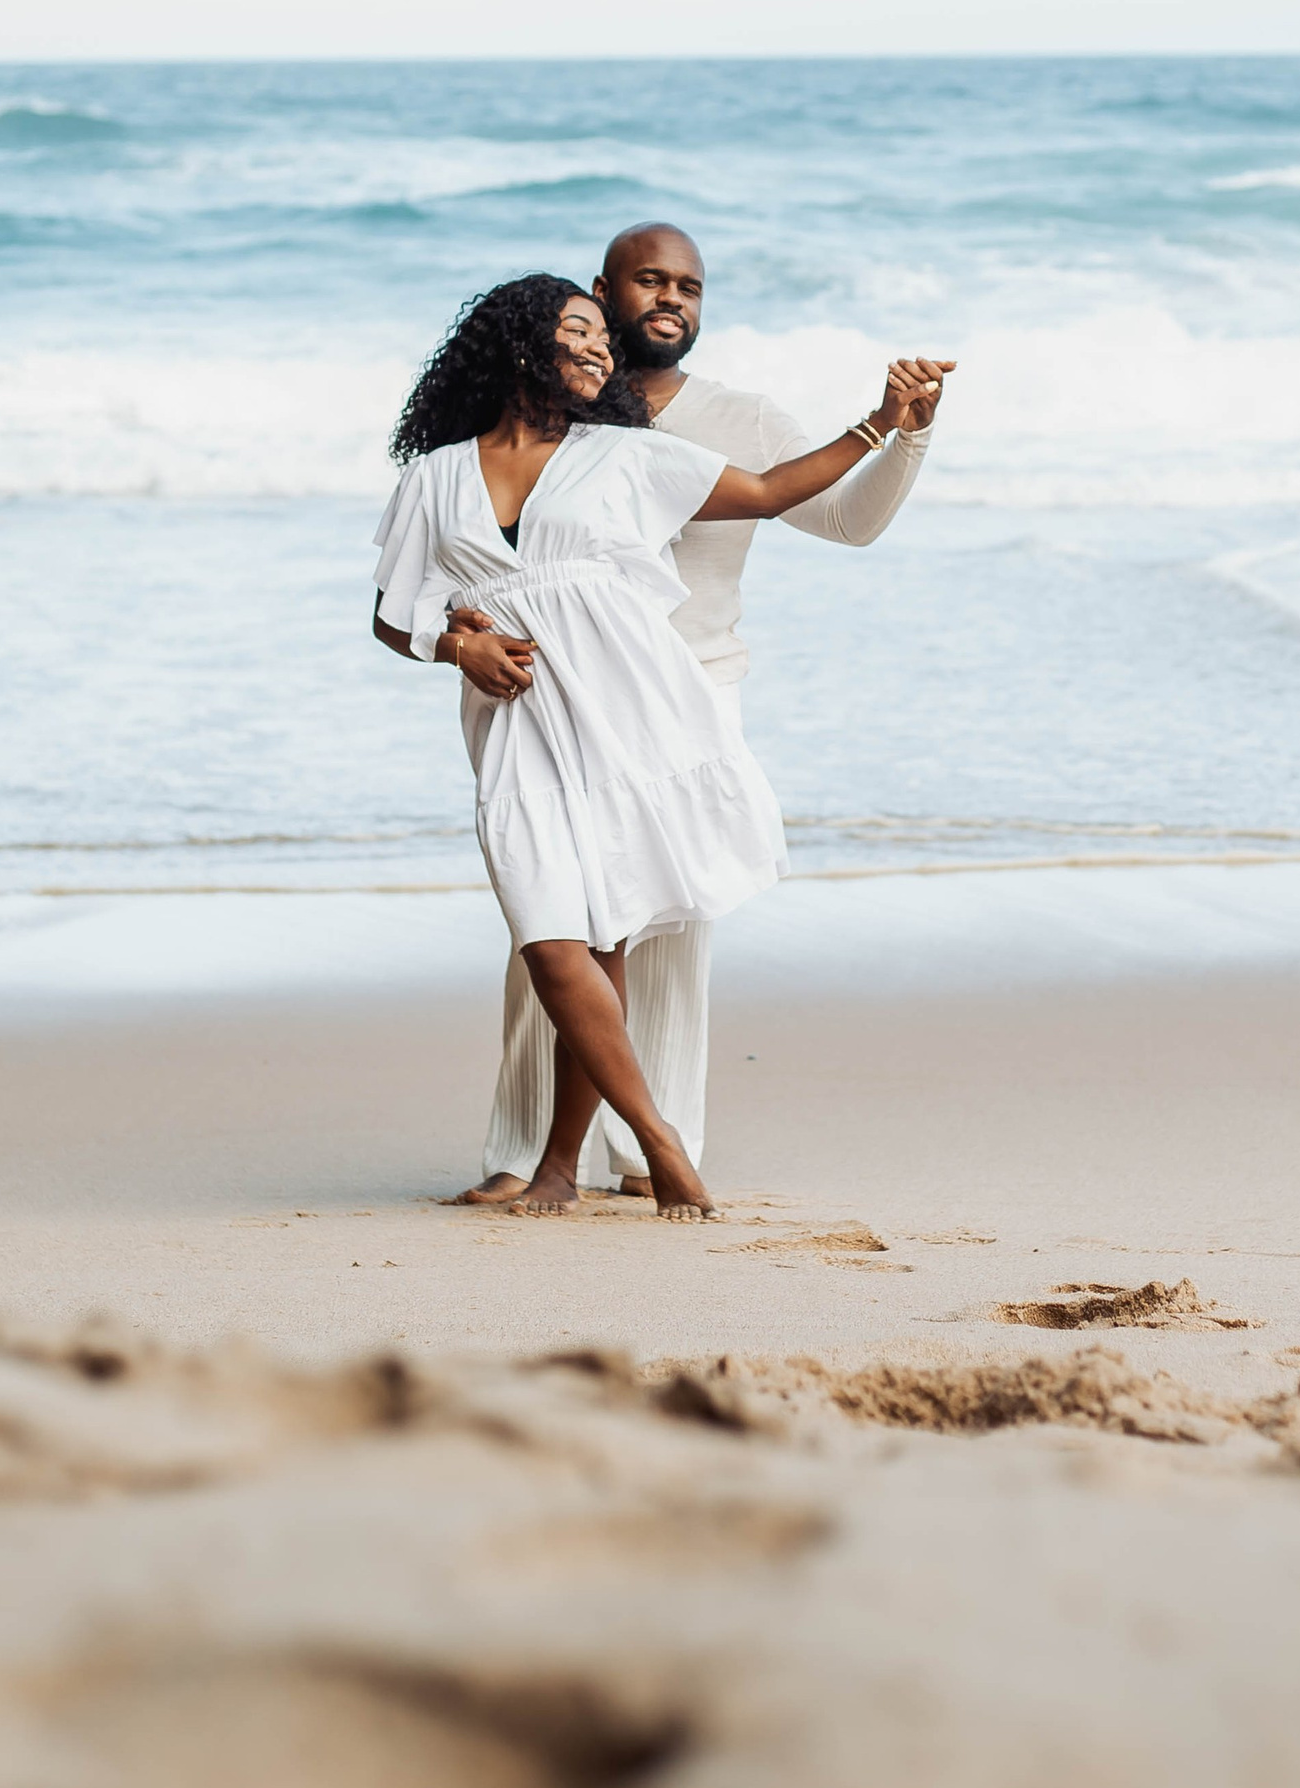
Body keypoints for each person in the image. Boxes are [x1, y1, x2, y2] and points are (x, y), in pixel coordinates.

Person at [372, 273, 951, 1220]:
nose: (602, 351)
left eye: (605, 337)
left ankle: (563, 1167)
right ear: (519, 344)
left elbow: (769, 491)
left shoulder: (628, 457)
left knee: (600, 939)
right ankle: (659, 1141)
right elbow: (392, 616)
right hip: (518, 726)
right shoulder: (435, 477)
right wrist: (456, 642)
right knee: (550, 938)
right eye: (579, 332)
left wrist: (883, 422)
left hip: (631, 716)